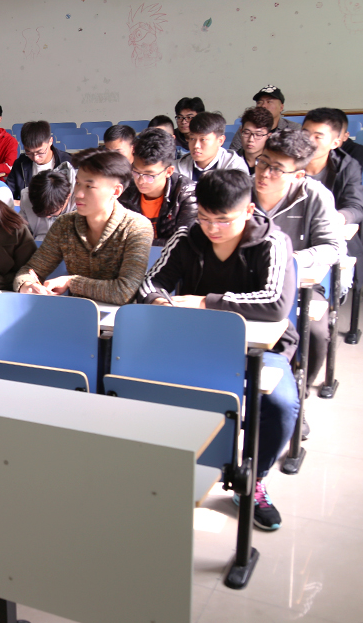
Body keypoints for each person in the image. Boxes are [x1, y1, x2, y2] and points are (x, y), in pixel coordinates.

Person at [139, 168, 299, 531]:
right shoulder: (187, 236)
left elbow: (275, 303)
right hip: (196, 343)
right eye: (205, 218)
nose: (212, 229)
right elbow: (151, 282)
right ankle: (165, 469)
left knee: (280, 405)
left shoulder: (272, 242)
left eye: (223, 220)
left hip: (260, 349)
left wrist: (205, 302)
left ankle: (253, 478)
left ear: (248, 210)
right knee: (146, 385)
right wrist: (161, 302)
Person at [252, 129, 342, 386]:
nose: (264, 173)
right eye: (263, 162)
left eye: (277, 169)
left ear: (298, 175)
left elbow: (332, 248)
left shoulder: (315, 195)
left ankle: (299, 388)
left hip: (298, 283)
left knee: (315, 331)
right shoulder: (241, 189)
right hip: (246, 279)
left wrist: (288, 260)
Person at [14, 150, 153, 305]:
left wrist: (71, 282)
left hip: (120, 317)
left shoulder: (137, 227)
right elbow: (30, 270)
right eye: (78, 183)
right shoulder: (65, 224)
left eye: (89, 186)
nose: (79, 193)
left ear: (116, 191)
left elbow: (125, 291)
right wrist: (27, 285)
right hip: (76, 313)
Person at [119, 128, 196, 245]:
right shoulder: (126, 189)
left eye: (149, 175)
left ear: (169, 171)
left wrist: (137, 243)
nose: (141, 181)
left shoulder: (187, 193)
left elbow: (184, 242)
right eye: (136, 172)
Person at [302, 107, 363, 228]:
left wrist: (339, 217)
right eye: (305, 134)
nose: (308, 141)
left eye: (318, 137)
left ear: (335, 143)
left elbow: (355, 206)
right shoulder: (285, 161)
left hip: (330, 228)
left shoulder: (347, 166)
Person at [6, 121, 73, 197]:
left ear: (50, 141)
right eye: (29, 152)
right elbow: (9, 194)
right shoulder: (20, 164)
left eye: (40, 152)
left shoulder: (68, 163)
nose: (35, 158)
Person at [176, 112, 248, 181]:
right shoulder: (177, 167)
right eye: (192, 139)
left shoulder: (235, 167)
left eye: (203, 139)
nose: (196, 145)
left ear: (220, 141)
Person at [228, 85, 301, 151]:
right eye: (259, 102)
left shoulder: (293, 128)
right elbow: (233, 153)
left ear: (281, 107)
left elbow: (297, 155)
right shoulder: (246, 129)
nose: (263, 106)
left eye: (269, 102)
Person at [19, 163, 76, 239]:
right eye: (41, 213)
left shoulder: (80, 202)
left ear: (68, 196)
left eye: (52, 213)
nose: (47, 217)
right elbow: (23, 229)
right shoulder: (27, 196)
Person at [236, 106, 275, 173]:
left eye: (258, 134)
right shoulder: (230, 161)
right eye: (247, 133)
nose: (251, 139)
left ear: (268, 136)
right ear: (241, 131)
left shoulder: (274, 164)